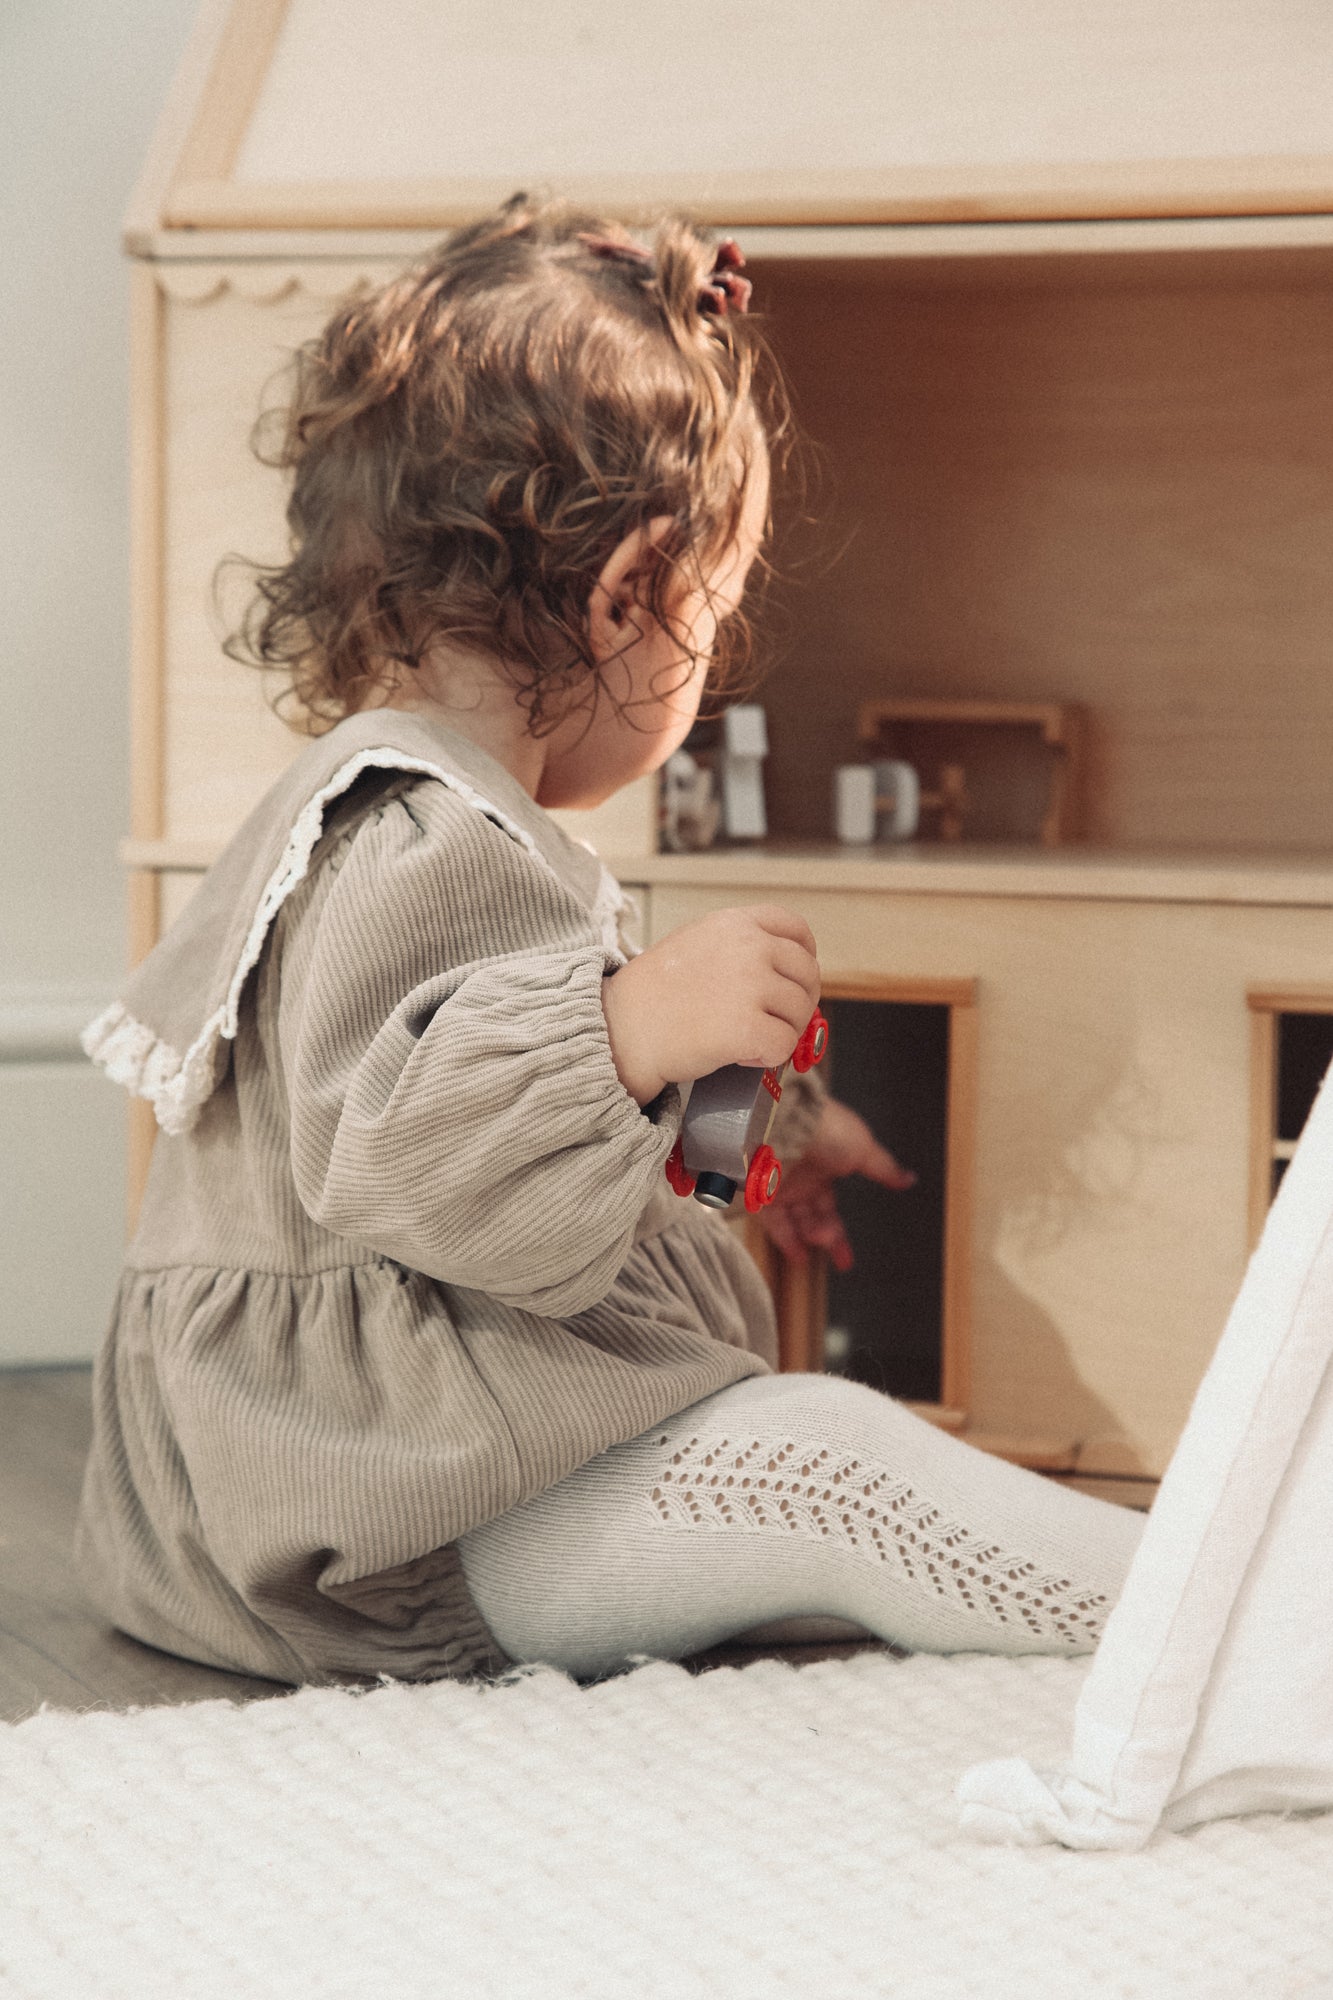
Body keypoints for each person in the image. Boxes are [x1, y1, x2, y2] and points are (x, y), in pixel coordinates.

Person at [79, 198, 1144, 1686]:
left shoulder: (392, 818)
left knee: (773, 1490)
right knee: (826, 1466)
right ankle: (1209, 1621)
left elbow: (533, 1139)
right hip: (392, 1533)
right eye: (711, 611)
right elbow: (411, 1158)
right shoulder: (425, 844)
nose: (703, 658)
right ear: (627, 592)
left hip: (354, 1496)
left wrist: (764, 1123)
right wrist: (635, 1027)